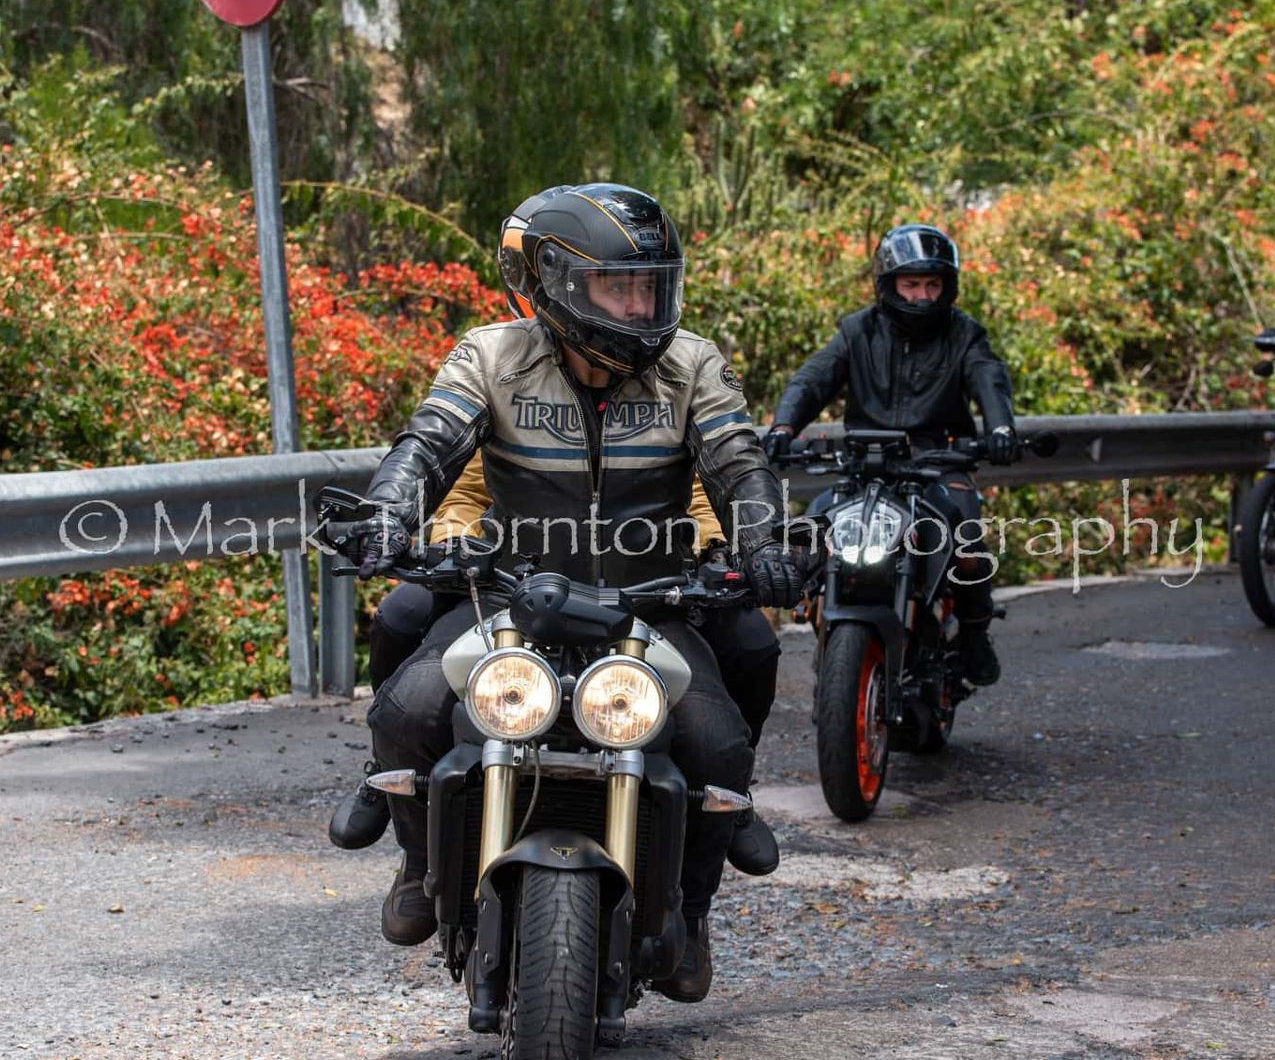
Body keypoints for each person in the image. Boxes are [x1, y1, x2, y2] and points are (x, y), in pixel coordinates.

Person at [338, 183, 805, 1002]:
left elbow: (739, 464)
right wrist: (387, 515)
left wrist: (764, 540)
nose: (640, 304)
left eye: (651, 285)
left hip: (649, 604)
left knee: (718, 747)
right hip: (510, 595)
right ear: (555, 280)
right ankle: (417, 863)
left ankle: (691, 913)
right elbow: (428, 445)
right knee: (407, 712)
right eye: (618, 286)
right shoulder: (490, 355)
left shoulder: (691, 362)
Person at [763, 223, 1018, 685]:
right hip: (867, 461)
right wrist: (783, 426)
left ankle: (976, 635)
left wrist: (1000, 427)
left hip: (939, 461)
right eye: (912, 283)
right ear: (890, 284)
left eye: (932, 284)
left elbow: (988, 378)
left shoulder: (965, 335)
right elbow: (814, 378)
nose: (922, 295)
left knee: (965, 541)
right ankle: (826, 622)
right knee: (814, 527)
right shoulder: (857, 331)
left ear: (947, 286)